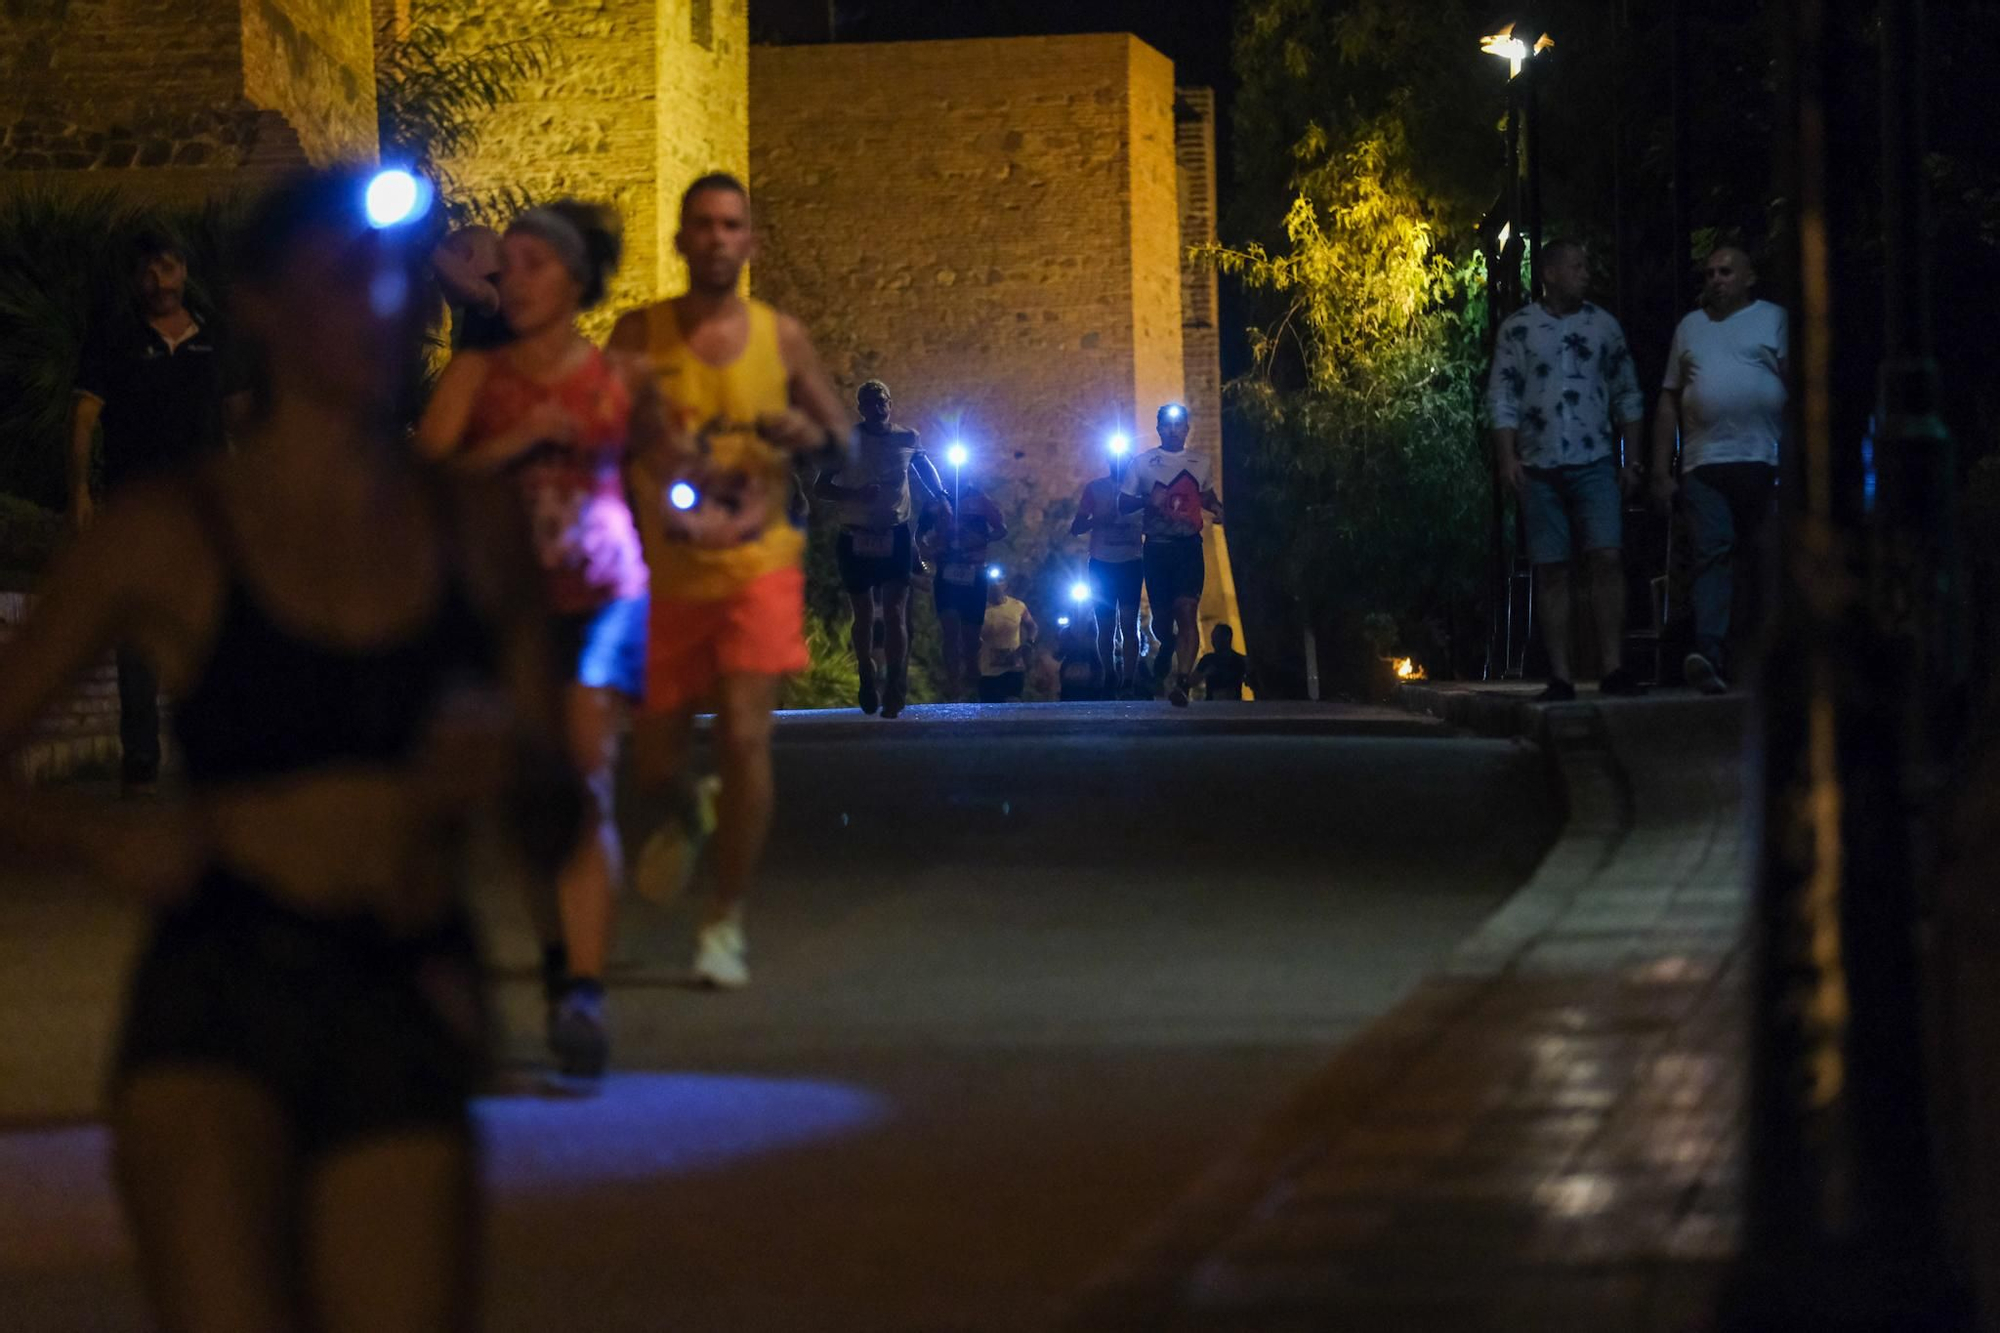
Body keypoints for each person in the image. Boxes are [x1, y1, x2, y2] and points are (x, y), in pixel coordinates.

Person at [0, 169, 576, 1333]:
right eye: (337, 280)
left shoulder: (472, 525)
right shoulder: (169, 535)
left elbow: (557, 809)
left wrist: (517, 766)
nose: (375, 307)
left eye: (392, 282)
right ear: (257, 305)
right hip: (217, 990)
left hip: (399, 982)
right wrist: (113, 841)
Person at [417, 200, 647, 1077]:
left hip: (603, 598)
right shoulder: (476, 380)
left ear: (576, 281)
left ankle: (584, 990)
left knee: (585, 782)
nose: (509, 278)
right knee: (524, 802)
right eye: (504, 264)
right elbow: (426, 480)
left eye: (531, 263)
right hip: (507, 607)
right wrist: (514, 442)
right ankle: (557, 965)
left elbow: (664, 479)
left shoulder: (617, 381)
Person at [608, 173, 850, 990]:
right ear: (680, 241)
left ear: (749, 241)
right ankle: (689, 805)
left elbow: (846, 444)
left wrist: (806, 430)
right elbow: (595, 428)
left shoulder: (780, 339)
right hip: (667, 573)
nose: (716, 238)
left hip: (757, 565)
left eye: (731, 225)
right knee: (651, 766)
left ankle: (723, 918)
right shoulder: (637, 336)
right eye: (702, 225)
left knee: (747, 734)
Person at [69, 233, 250, 796]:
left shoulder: (215, 339)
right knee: (138, 638)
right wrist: (79, 491)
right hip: (136, 508)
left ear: (183, 272)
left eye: (167, 267)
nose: (157, 279)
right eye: (147, 270)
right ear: (136, 278)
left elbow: (238, 417)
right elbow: (83, 417)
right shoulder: (115, 338)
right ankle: (141, 761)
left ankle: (216, 755)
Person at [1487, 239, 1648, 701]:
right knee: (1551, 568)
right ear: (1550, 273)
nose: (1586, 273)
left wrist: (1630, 458)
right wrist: (1507, 457)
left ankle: (1613, 667)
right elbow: (1502, 395)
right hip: (1538, 466)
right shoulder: (1518, 328)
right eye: (1576, 266)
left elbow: (1627, 393)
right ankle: (1561, 676)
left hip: (1594, 458)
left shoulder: (1603, 326)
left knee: (1607, 556)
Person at [1650, 245, 1788, 695]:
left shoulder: (1773, 319)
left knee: (1764, 559)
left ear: (1749, 277)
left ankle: (1767, 657)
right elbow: (1669, 397)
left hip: (1762, 458)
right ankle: (1710, 654)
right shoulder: (1690, 328)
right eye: (1709, 273)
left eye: (1726, 271)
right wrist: (1660, 469)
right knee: (1713, 554)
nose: (1716, 279)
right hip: (1704, 463)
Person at [814, 379, 947, 717]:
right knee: (862, 613)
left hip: (895, 534)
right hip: (855, 535)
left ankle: (895, 684)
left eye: (882, 400)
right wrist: (855, 495)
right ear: (860, 408)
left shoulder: (908, 437)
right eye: (870, 402)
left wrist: (942, 496)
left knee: (894, 612)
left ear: (891, 402)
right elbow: (822, 487)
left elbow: (923, 465)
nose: (878, 406)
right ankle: (866, 672)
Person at [1120, 403, 1223, 707]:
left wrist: (1216, 508)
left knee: (1187, 610)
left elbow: (1204, 493)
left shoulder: (1200, 461)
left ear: (1187, 428)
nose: (1174, 430)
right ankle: (1166, 645)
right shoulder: (1142, 463)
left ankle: (1182, 682)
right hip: (1157, 548)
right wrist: (1146, 500)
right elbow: (1123, 503)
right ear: (1159, 428)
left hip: (1188, 547)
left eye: (1179, 425)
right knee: (1163, 622)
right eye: (1167, 425)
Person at [918, 475, 1008, 700]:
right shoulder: (936, 502)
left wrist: (980, 539)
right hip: (947, 573)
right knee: (949, 631)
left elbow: (1001, 529)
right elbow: (919, 536)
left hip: (974, 573)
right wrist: (928, 551)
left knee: (970, 639)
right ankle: (953, 685)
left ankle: (972, 673)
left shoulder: (981, 500)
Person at [1070, 435, 1145, 697]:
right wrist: (1096, 520)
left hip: (1131, 563)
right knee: (1105, 626)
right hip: (1102, 563)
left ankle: (1128, 679)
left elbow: (1152, 521)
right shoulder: (1095, 489)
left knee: (1129, 623)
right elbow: (1076, 527)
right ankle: (1110, 673)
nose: (1117, 464)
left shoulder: (1140, 492)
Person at [431, 223, 511, 350]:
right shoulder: (473, 313)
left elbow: (476, 290)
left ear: (465, 253)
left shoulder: (501, 290)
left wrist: (424, 245)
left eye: (449, 251)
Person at [977, 571, 1037, 703]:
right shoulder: (979, 608)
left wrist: (1029, 643)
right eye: (990, 582)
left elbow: (1032, 626)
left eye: (998, 581)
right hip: (988, 671)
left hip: (1014, 668)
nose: (994, 585)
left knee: (1013, 705)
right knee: (990, 712)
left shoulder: (1018, 606)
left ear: (1005, 585)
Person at [1195, 623, 1248, 701]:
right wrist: (1205, 674)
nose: (1214, 641)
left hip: (1234, 706)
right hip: (1213, 706)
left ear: (1227, 638)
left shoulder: (1239, 660)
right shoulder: (1207, 659)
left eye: (1217, 637)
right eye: (1213, 638)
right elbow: (1192, 681)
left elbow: (1254, 682)